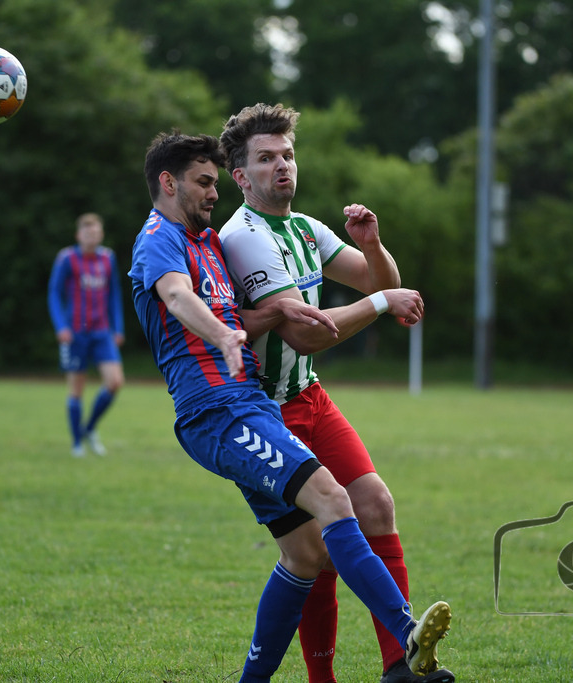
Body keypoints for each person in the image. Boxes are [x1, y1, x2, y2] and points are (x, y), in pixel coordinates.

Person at [129, 131, 452, 682]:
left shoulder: (208, 241)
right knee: (333, 499)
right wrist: (224, 336)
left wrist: (263, 318)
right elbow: (179, 298)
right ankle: (405, 636)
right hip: (219, 410)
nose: (212, 194)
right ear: (168, 182)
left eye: (287, 155)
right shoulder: (161, 238)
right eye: (205, 183)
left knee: (305, 554)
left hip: (250, 401)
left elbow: (244, 316)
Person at [216, 103, 453, 683]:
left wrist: (371, 245)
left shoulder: (304, 227)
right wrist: (379, 303)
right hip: (267, 410)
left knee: (376, 506)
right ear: (241, 177)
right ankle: (324, 678)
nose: (282, 167)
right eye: (266, 159)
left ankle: (401, 666)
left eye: (288, 155)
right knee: (315, 546)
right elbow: (304, 331)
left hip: (311, 396)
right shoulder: (242, 237)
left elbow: (384, 282)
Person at [48, 212, 125, 456]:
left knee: (114, 382)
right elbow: (54, 293)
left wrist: (118, 327)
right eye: (87, 232)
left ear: (101, 234)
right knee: (76, 388)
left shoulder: (107, 258)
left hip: (102, 332)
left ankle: (89, 428)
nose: (92, 236)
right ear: (78, 235)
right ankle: (76, 443)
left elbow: (114, 294)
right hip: (76, 333)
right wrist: (61, 327)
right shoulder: (67, 259)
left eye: (96, 232)